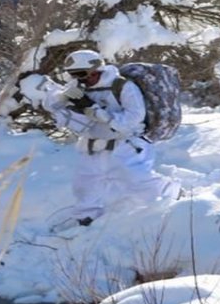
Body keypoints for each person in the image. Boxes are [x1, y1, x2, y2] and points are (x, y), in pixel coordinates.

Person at [42, 49, 179, 231]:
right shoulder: (79, 88)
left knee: (137, 180)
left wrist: (100, 114)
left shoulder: (122, 87)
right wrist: (63, 97)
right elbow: (51, 105)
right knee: (86, 183)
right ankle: (86, 217)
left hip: (126, 144)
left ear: (96, 69)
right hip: (92, 144)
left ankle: (173, 195)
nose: (80, 79)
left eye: (82, 74)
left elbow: (134, 118)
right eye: (73, 74)